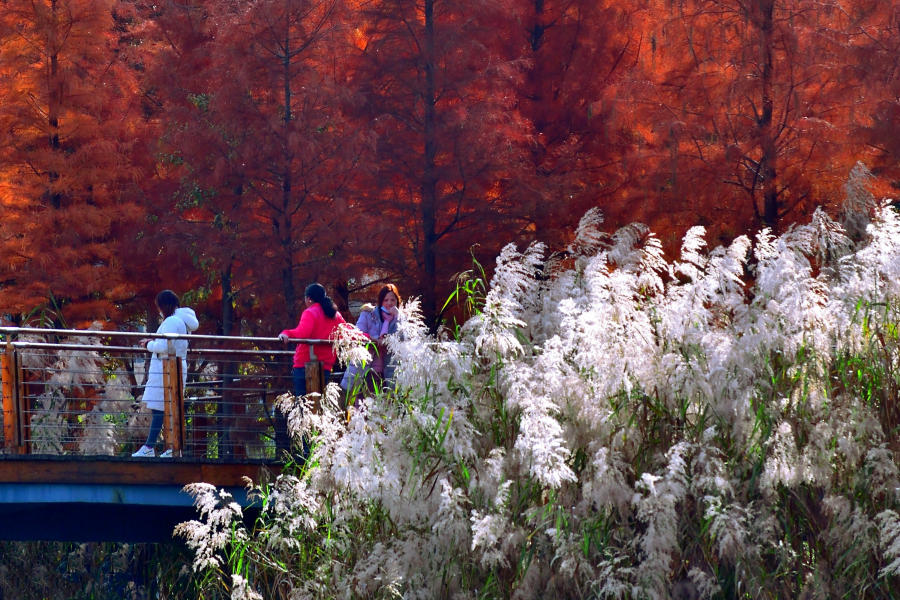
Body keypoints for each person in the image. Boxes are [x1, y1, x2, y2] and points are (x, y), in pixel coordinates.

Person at [132, 290, 199, 458]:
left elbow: (163, 346)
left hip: (166, 369)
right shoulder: (181, 321)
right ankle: (171, 448)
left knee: (159, 409)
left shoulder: (171, 321)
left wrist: (148, 344)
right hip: (173, 367)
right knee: (169, 408)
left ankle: (150, 447)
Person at [279, 283, 347, 398]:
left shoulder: (310, 312)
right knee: (318, 405)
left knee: (303, 406)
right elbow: (348, 333)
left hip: (304, 365)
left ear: (309, 298)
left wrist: (286, 333)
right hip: (325, 366)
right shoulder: (335, 315)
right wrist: (372, 337)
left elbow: (302, 333)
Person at [341, 284, 401, 397]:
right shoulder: (368, 314)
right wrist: (372, 339)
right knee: (364, 407)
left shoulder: (400, 319)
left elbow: (405, 338)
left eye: (393, 300)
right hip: (366, 370)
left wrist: (398, 317)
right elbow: (356, 335)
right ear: (380, 301)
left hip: (390, 373)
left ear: (397, 302)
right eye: (386, 300)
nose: (389, 303)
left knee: (386, 409)